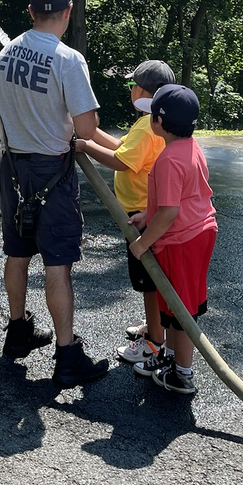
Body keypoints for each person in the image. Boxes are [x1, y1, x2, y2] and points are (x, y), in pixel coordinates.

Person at [0, 0, 109, 388]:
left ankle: (18, 331)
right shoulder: (67, 59)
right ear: (68, 12)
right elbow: (87, 128)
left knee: (17, 253)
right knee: (57, 263)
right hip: (51, 174)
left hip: (12, 168)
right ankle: (66, 356)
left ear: (30, 11)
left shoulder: (4, 55)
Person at [74, 60, 176, 365]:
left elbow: (120, 161)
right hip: (147, 211)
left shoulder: (146, 127)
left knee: (148, 281)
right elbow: (122, 147)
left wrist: (84, 146)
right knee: (154, 278)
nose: (130, 89)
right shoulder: (151, 121)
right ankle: (156, 327)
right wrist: (93, 135)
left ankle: (153, 343)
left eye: (133, 84)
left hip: (140, 215)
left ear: (144, 90)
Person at [128, 84, 217, 394]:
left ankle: (182, 374)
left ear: (159, 122)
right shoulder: (192, 148)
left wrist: (142, 243)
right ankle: (168, 359)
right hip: (199, 232)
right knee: (175, 302)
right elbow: (183, 199)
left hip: (181, 240)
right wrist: (146, 216)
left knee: (181, 311)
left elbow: (169, 212)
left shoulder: (167, 160)